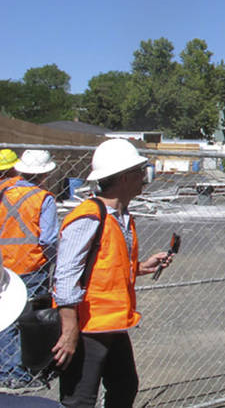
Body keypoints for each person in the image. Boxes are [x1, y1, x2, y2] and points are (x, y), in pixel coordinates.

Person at [50, 138, 173, 408]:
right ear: (125, 177)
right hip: (88, 328)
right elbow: (67, 275)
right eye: (140, 172)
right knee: (80, 400)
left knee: (125, 387)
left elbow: (106, 266)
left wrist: (141, 267)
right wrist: (69, 331)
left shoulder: (121, 215)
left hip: (113, 324)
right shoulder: (89, 217)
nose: (144, 178)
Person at [0, 149, 59, 390]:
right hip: (30, 267)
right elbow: (49, 239)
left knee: (5, 318)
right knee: (26, 320)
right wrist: (54, 263)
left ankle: (5, 368)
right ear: (44, 174)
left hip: (4, 266)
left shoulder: (3, 193)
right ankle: (17, 372)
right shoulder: (44, 198)